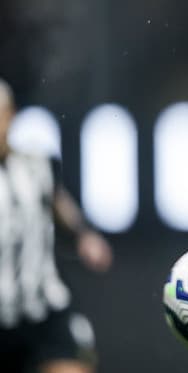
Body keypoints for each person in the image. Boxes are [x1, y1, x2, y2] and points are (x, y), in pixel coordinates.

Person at [0, 78, 113, 373]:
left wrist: (84, 235)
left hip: (42, 309)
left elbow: (58, 202)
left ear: (11, 115)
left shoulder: (36, 164)